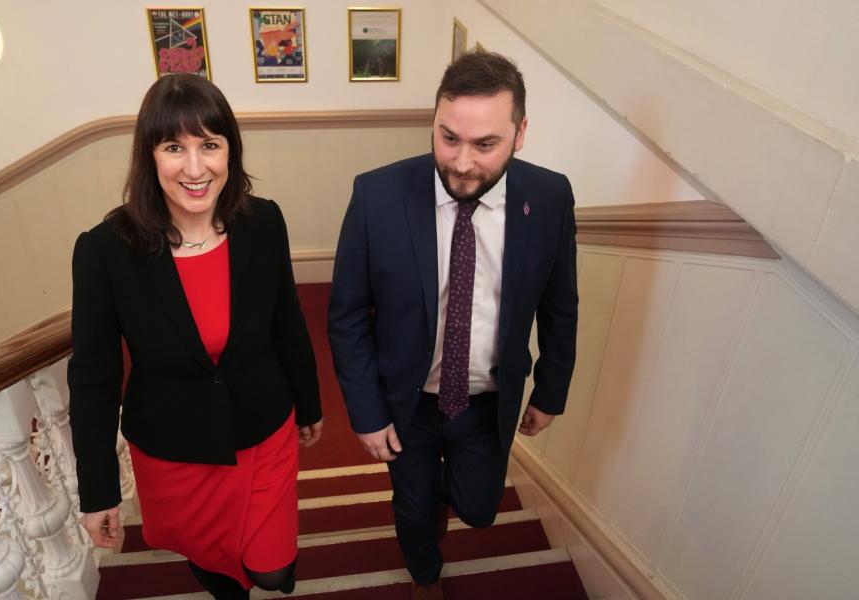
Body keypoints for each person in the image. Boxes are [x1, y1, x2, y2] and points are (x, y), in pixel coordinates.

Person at [328, 51, 577, 600]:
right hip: (410, 402)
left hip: (488, 400)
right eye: (448, 138)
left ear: (521, 133)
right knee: (413, 508)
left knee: (480, 510)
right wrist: (367, 413)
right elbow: (346, 314)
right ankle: (424, 575)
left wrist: (550, 391)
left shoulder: (551, 197)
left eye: (485, 144)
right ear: (435, 122)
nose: (462, 162)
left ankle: (444, 495)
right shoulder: (377, 195)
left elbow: (560, 305)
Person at [68, 73, 323, 599]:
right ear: (149, 157)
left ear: (230, 149)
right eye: (173, 147)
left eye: (209, 144)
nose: (194, 167)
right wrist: (97, 492)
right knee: (218, 569)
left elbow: (287, 322)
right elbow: (94, 378)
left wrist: (310, 404)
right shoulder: (105, 251)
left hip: (263, 427)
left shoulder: (263, 221)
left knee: (276, 573)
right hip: (177, 449)